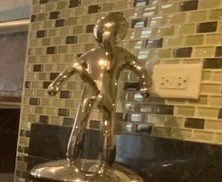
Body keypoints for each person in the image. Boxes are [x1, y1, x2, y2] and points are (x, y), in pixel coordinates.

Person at [45, 11, 151, 170]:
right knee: (81, 120)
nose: (107, 36)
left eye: (110, 32)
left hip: (108, 93)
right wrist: (56, 83)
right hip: (90, 91)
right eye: (105, 31)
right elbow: (70, 70)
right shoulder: (92, 55)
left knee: (107, 123)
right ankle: (73, 158)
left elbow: (141, 71)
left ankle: (105, 162)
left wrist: (144, 85)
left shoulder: (121, 55)